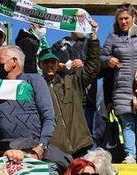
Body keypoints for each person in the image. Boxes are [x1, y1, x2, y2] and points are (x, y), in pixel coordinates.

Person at [101, 3, 137, 164]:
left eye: (126, 18)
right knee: (127, 124)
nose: (124, 21)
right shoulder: (112, 37)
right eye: (120, 19)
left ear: (134, 18)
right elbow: (102, 58)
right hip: (122, 87)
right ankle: (130, 155)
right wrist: (108, 61)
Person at [0, 45, 56, 166]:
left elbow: (48, 117)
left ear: (14, 62)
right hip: (2, 155)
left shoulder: (35, 81)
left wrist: (40, 148)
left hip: (31, 152)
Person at [39, 20, 100, 159]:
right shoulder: (38, 87)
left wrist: (94, 37)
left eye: (52, 62)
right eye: (46, 62)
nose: (49, 65)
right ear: (40, 64)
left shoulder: (72, 82)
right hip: (54, 150)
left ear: (57, 64)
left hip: (80, 145)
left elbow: (92, 69)